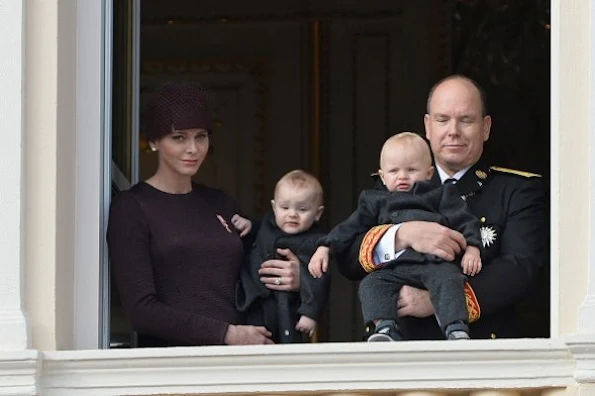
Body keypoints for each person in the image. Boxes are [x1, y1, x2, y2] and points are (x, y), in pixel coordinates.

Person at [337, 75, 547, 340]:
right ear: (427, 126)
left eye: (466, 120)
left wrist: (435, 301)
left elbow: (520, 269)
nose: (453, 131)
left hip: (483, 355)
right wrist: (402, 235)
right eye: (442, 119)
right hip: (402, 354)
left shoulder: (516, 190)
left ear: (485, 127)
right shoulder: (395, 186)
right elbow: (347, 258)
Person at [106, 82, 301, 347]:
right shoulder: (132, 208)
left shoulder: (220, 203)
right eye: (179, 137)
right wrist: (226, 334)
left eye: (201, 136)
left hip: (243, 360)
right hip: (173, 367)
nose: (193, 149)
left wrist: (296, 278)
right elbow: (141, 311)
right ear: (153, 141)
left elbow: (257, 275)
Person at [309, 132, 482, 341]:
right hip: (395, 268)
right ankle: (385, 328)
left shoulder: (441, 194)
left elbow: (465, 221)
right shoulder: (374, 200)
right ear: (382, 176)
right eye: (394, 171)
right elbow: (349, 228)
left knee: (450, 279)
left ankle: (456, 328)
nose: (402, 176)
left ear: (429, 173)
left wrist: (472, 248)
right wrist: (325, 247)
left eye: (411, 170)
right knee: (371, 284)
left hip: (435, 264)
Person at [234, 170, 330, 343]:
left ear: (317, 214)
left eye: (302, 209)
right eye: (284, 207)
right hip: (253, 298)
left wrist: (310, 313)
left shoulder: (315, 242)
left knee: (286, 341)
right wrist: (248, 224)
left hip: (286, 307)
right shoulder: (268, 223)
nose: (292, 214)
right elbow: (259, 228)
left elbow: (319, 280)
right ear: (274, 207)